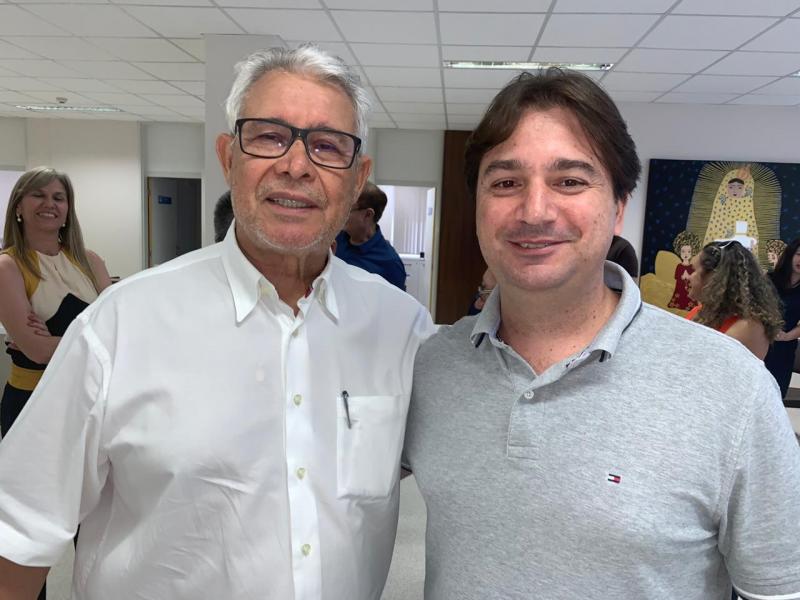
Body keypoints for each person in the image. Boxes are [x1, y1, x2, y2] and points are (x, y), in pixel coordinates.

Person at [0, 45, 433, 600]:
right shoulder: (122, 326)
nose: (296, 165)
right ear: (228, 158)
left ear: (357, 179)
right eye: (269, 136)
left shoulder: (402, 329)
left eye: (327, 146)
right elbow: (18, 531)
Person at [403, 69, 800, 600]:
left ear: (618, 207)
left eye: (570, 181)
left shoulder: (734, 387)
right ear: (477, 205)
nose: (535, 210)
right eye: (505, 183)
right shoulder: (431, 365)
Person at [0, 167, 111, 600]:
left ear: (68, 209)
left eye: (58, 197)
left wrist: (54, 341)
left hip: (90, 405)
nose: (50, 204)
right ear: (19, 207)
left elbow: (119, 336)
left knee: (96, 522)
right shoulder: (9, 266)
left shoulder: (90, 261)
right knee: (32, 527)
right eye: (39, 196)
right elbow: (35, 349)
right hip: (32, 404)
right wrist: (79, 340)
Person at [685, 240, 782, 360]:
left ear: (714, 278)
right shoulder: (699, 311)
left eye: (694, 270)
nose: (689, 277)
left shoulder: (748, 327)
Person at [335, 182, 407, 290]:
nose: (341, 214)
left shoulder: (390, 263)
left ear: (368, 215)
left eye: (348, 209)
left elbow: (395, 300)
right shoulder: (335, 239)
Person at [765, 238, 800, 398]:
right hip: (760, 340)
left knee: (775, 397)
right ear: (790, 254)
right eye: (799, 254)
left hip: (783, 349)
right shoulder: (769, 279)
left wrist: (786, 336)